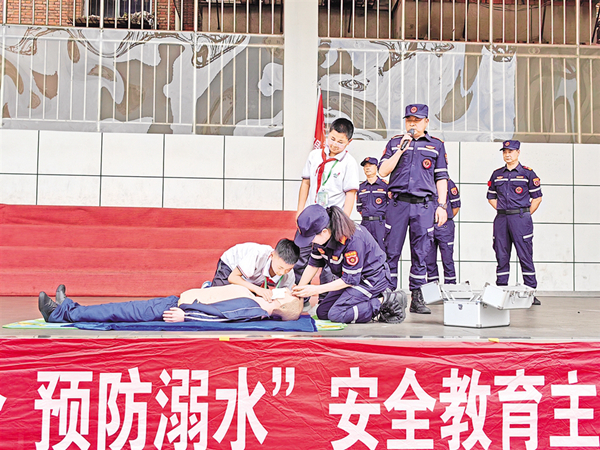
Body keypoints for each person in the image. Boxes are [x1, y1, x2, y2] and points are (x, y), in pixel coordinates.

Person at [378, 104, 449, 315]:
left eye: (417, 120)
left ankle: (417, 298)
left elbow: (441, 177)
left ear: (426, 122)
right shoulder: (395, 143)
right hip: (398, 205)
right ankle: (389, 299)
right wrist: (401, 149)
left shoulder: (436, 145)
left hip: (424, 206)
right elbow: (383, 171)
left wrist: (442, 206)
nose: (412, 124)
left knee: (421, 253)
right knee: (390, 252)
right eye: (409, 120)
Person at [292, 204, 407, 324]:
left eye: (311, 238)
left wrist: (315, 289)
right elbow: (313, 265)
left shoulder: (353, 240)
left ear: (324, 232)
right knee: (323, 312)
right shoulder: (320, 239)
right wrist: (299, 290)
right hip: (351, 280)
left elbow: (349, 280)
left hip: (372, 280)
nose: (310, 242)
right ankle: (364, 302)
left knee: (337, 314)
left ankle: (386, 301)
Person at [294, 118, 360, 285]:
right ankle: (301, 295)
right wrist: (300, 211)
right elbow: (306, 183)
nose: (335, 144)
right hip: (311, 216)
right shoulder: (314, 156)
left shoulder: (349, 163)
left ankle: (325, 298)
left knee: (329, 264)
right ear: (327, 134)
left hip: (331, 220)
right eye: (332, 139)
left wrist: (343, 222)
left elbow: (351, 194)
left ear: (349, 142)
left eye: (340, 142)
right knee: (301, 257)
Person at [38, 284, 304, 324]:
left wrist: (185, 317)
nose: (283, 291)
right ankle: (67, 308)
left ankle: (59, 314)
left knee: (118, 311)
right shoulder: (256, 300)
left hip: (176, 309)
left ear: (281, 303)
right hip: (176, 302)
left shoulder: (253, 309)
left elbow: (218, 318)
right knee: (122, 308)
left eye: (286, 294)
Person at [487, 140, 543, 305]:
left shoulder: (527, 174)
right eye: (505, 152)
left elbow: (537, 198)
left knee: (525, 255)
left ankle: (530, 292)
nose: (507, 155)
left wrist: (523, 214)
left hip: (520, 219)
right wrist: (504, 210)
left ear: (518, 152)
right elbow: (491, 197)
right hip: (502, 219)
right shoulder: (497, 174)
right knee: (501, 255)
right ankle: (501, 291)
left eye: (510, 151)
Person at [210, 239, 299, 302]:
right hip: (232, 267)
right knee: (216, 299)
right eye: (280, 267)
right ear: (272, 256)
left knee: (246, 302)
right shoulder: (258, 254)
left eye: (288, 269)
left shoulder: (289, 273)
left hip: (254, 278)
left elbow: (288, 295)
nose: (282, 273)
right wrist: (258, 290)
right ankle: (208, 286)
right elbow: (233, 277)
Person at [426, 178, 461, 284]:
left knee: (447, 259)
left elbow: (456, 206)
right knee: (429, 261)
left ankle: (450, 287)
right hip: (428, 226)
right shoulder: (425, 181)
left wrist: (445, 218)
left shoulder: (448, 183)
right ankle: (432, 289)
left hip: (445, 227)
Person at [356, 157, 388, 251]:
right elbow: (359, 208)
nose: (367, 167)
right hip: (366, 224)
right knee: (365, 249)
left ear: (376, 167)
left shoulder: (385, 186)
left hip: (381, 224)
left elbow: (391, 206)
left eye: (370, 165)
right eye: (365, 166)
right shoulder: (361, 187)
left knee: (382, 249)